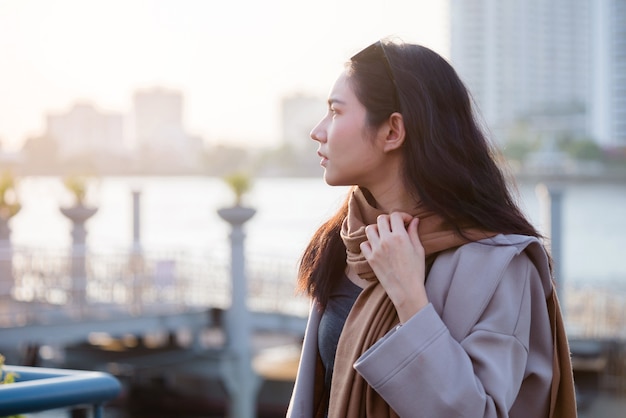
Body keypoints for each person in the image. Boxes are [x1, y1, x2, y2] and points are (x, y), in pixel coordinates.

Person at [287, 39, 577, 418]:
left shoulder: (502, 268)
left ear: (392, 132)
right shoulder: (349, 242)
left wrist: (409, 296)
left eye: (336, 112)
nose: (318, 131)